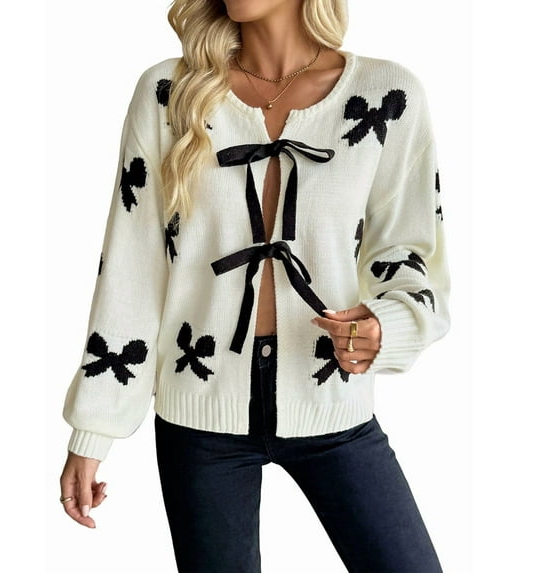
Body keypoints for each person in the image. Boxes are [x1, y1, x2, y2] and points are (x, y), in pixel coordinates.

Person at [60, 0, 450, 570]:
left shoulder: (386, 96)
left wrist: (385, 326)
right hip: (199, 422)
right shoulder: (169, 93)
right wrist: (93, 429)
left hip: (332, 405)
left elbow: (410, 251)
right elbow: (131, 269)